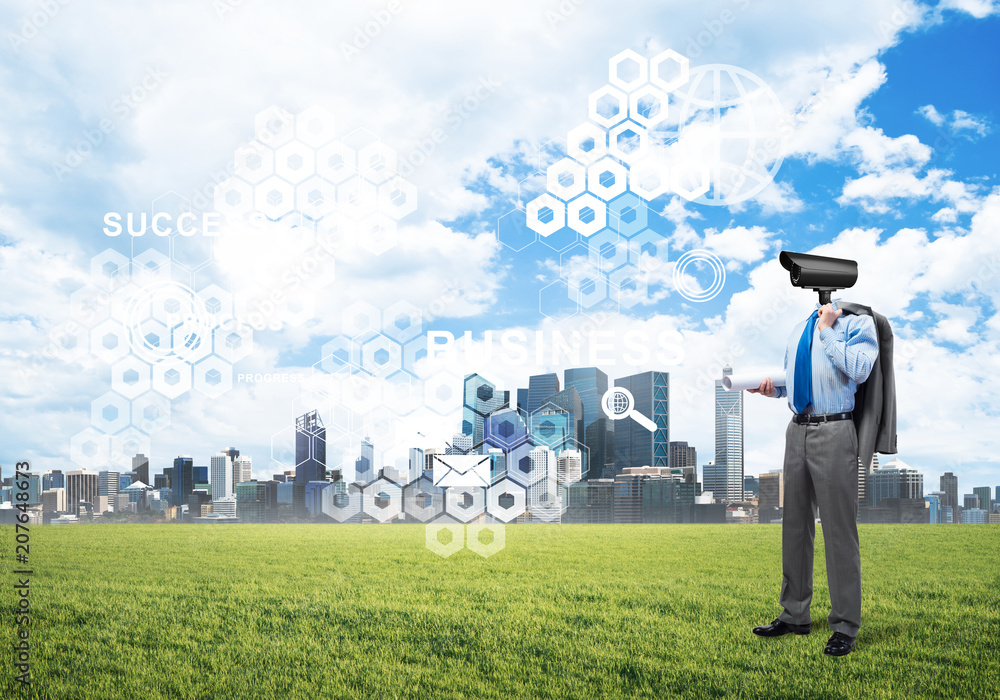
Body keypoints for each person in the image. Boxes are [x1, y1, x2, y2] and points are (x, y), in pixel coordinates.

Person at [747, 301, 878, 657]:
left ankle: (845, 626)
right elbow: (797, 381)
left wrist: (828, 329)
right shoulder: (797, 329)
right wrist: (774, 390)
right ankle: (794, 615)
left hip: (835, 428)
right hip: (797, 431)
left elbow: (861, 369)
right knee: (794, 526)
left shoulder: (857, 324)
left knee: (838, 530)